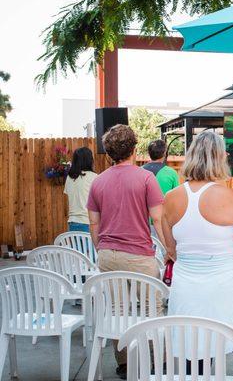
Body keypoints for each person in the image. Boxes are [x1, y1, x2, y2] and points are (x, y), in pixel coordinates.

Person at [161, 131, 233, 380]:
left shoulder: (170, 199)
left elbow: (171, 249)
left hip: (186, 287)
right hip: (228, 285)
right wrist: (228, 270)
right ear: (220, 158)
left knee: (192, 353)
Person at [87, 124, 166, 379]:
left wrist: (101, 247)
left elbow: (94, 223)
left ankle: (125, 365)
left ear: (109, 153)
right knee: (150, 310)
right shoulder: (146, 178)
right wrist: (170, 249)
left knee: (117, 310)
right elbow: (158, 219)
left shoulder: (98, 181)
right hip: (140, 255)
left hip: (108, 254)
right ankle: (152, 364)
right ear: (134, 149)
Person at [142, 139, 180, 236]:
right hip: (164, 222)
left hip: (142, 222)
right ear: (164, 153)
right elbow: (176, 199)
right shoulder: (171, 173)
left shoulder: (139, 171)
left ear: (149, 153)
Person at [64, 147, 97, 232]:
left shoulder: (69, 178)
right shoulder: (94, 177)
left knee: (76, 245)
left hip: (72, 223)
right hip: (88, 223)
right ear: (90, 160)